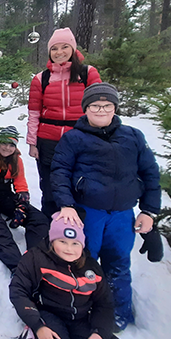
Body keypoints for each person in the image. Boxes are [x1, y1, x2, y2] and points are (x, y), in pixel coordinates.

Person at [50, 83, 159, 331]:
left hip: (122, 215)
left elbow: (150, 173)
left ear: (115, 108)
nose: (101, 110)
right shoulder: (73, 138)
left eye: (107, 105)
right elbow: (59, 172)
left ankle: (118, 312)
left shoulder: (132, 136)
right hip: (88, 213)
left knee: (118, 263)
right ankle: (79, 310)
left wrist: (149, 210)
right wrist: (66, 204)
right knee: (82, 261)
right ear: (86, 109)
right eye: (95, 105)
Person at [9, 219, 141, 339]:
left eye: (74, 243)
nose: (69, 249)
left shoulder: (91, 268)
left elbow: (104, 304)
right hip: (48, 316)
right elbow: (18, 291)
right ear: (52, 241)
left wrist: (100, 333)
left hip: (81, 319)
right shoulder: (36, 258)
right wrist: (38, 326)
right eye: (62, 242)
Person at [28, 27, 103, 217]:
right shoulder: (41, 78)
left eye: (64, 47)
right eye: (54, 48)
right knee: (50, 187)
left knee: (80, 184)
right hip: (48, 141)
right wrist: (32, 143)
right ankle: (50, 227)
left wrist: (99, 138)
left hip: (80, 139)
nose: (59, 52)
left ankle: (76, 233)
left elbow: (100, 107)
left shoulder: (87, 73)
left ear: (73, 49)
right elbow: (34, 112)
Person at [0, 126, 51, 271]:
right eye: (4, 143)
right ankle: (16, 265)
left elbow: (20, 183)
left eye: (11, 145)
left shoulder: (16, 160)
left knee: (38, 218)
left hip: (5, 194)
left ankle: (35, 258)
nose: (7, 148)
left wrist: (22, 204)